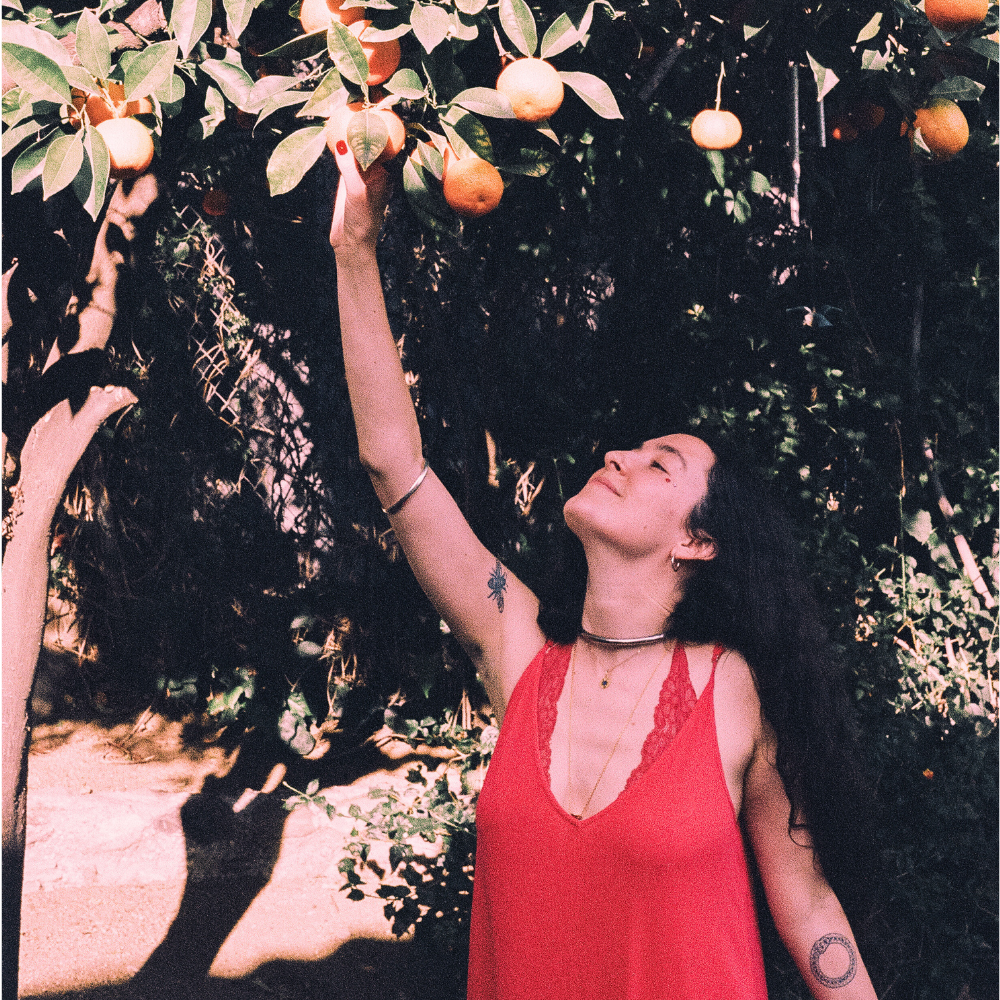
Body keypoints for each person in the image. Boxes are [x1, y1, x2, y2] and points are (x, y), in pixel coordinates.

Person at [329, 143, 877, 1000]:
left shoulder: (735, 689)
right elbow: (393, 461)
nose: (620, 456)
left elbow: (807, 907)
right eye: (635, 449)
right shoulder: (516, 648)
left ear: (699, 542)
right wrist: (354, 250)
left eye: (661, 466)